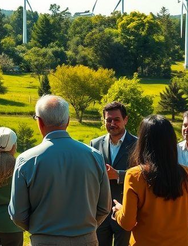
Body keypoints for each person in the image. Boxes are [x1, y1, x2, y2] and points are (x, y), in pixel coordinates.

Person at [9, 95, 111, 246]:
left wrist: (39, 229)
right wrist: (84, 228)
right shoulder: (94, 156)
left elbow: (18, 214)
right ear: (68, 121)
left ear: (39, 121)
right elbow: (104, 207)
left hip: (44, 239)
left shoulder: (26, 160)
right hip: (86, 239)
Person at [112, 115, 188, 245]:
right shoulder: (187, 173)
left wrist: (118, 211)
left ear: (143, 141)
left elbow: (127, 223)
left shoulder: (135, 175)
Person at [89, 102, 137, 246]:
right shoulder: (95, 144)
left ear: (126, 120)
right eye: (108, 120)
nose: (112, 123)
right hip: (100, 210)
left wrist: (119, 175)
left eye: (116, 119)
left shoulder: (138, 144)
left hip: (125, 208)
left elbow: (143, 173)